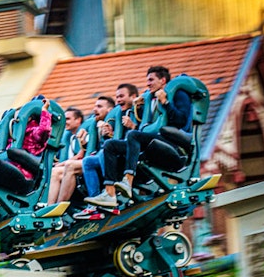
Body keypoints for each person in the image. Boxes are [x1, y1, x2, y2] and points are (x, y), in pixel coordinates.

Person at [86, 66, 192, 209]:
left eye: (151, 80)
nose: (148, 84)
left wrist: (165, 102)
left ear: (163, 80)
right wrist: (140, 109)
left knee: (133, 135)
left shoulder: (178, 94)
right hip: (154, 142)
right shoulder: (150, 99)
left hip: (173, 144)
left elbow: (181, 121)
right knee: (110, 145)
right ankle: (109, 194)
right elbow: (145, 126)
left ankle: (128, 181)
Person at [47, 108, 86, 204]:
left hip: (79, 168)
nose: (65, 122)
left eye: (68, 119)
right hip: (68, 166)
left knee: (55, 172)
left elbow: (80, 155)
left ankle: (53, 205)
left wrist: (61, 164)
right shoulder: (68, 137)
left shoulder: (84, 134)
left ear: (78, 120)